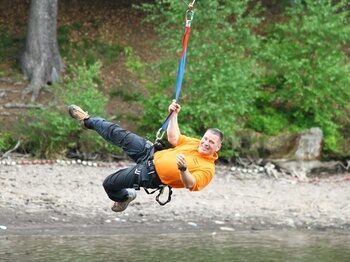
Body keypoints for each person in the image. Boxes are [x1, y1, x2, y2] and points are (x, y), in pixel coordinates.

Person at [68, 101, 223, 212]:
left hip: (150, 175)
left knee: (109, 183)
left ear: (217, 147)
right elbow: (174, 138)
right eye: (205, 139)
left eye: (211, 142)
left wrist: (183, 170)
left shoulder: (207, 169)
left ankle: (124, 197)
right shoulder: (195, 143)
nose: (206, 143)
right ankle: (87, 120)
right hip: (150, 152)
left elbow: (191, 184)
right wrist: (174, 114)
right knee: (118, 133)